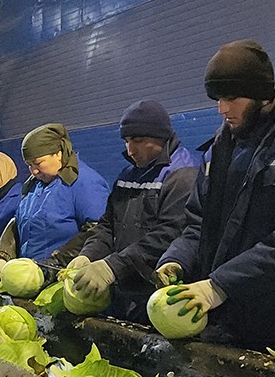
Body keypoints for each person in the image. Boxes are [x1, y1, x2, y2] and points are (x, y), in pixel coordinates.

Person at [156, 40, 275, 352]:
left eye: (231, 97)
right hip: (225, 326)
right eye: (217, 98)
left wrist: (220, 284)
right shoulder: (220, 148)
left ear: (259, 92)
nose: (222, 109)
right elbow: (198, 223)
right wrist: (177, 258)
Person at [67, 100, 198, 321]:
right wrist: (88, 255)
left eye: (138, 140)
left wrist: (113, 267)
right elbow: (108, 225)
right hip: (123, 292)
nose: (130, 149)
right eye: (127, 141)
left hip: (158, 299)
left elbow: (168, 235)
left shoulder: (182, 175)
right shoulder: (128, 175)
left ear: (160, 137)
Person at [0, 123, 109, 272]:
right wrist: (2, 255)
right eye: (29, 165)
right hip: (29, 277)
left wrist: (55, 264)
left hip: (62, 276)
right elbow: (18, 222)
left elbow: (98, 229)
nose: (34, 171)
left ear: (58, 153)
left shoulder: (85, 183)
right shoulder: (34, 185)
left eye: (38, 163)